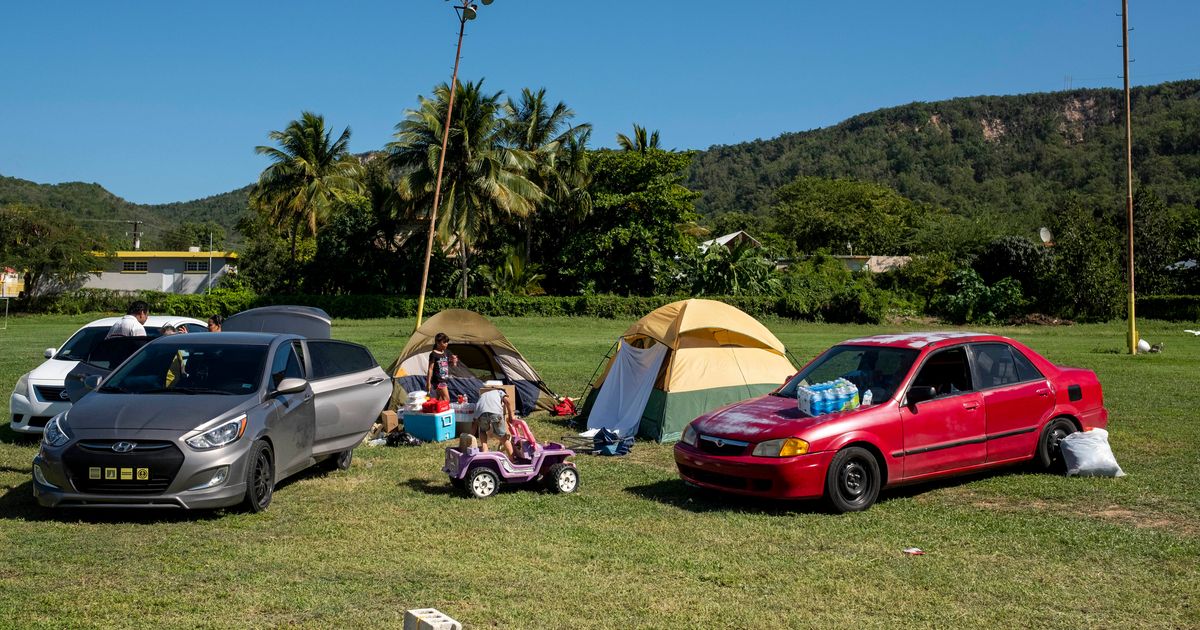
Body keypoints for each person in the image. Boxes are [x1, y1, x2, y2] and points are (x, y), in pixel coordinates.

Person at [473, 388, 514, 458]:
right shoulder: (500, 392)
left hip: (480, 414)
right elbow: (508, 402)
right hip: (495, 413)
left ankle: (485, 452)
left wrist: (471, 435)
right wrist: (511, 417)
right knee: (504, 437)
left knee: (482, 431)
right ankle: (512, 458)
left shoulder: (484, 394)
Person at [425, 332, 458, 402]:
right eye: (444, 342)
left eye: (447, 342)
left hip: (444, 379)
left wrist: (454, 361)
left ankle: (436, 411)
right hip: (438, 380)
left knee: (439, 400)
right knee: (447, 399)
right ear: (438, 343)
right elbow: (430, 369)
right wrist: (428, 383)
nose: (446, 344)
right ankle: (444, 411)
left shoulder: (445, 352)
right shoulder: (433, 354)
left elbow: (448, 365)